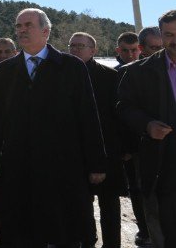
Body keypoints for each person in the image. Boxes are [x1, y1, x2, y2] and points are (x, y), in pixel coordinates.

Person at [0, 8, 106, 248]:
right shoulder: (6, 70)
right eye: (18, 26)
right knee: (20, 232)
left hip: (61, 167)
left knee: (62, 231)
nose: (21, 30)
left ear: (46, 31)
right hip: (18, 166)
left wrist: (97, 163)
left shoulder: (71, 67)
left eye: (28, 25)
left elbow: (88, 118)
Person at [118, 9, 176, 248]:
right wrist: (147, 125)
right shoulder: (139, 72)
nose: (174, 40)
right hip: (164, 164)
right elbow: (124, 107)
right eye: (169, 34)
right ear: (161, 36)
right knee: (169, 229)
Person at [68, 32, 127, 248]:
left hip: (107, 151)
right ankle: (87, 242)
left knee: (109, 206)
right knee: (81, 206)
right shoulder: (62, 75)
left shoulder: (110, 77)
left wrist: (125, 148)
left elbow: (120, 115)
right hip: (75, 154)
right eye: (72, 46)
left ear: (93, 51)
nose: (75, 50)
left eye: (80, 46)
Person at [116, 30, 152, 246]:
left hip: (156, 141)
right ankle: (145, 230)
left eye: (134, 50)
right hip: (132, 146)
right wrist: (125, 147)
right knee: (137, 190)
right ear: (118, 51)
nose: (130, 54)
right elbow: (118, 113)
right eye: (125, 50)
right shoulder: (116, 74)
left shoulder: (155, 71)